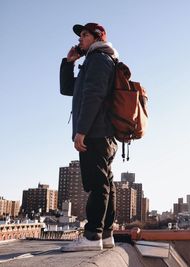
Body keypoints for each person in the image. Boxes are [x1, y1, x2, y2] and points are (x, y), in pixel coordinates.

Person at [59, 23, 118, 252]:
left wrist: (81, 131)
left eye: (84, 35)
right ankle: (106, 234)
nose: (80, 39)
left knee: (97, 184)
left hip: (95, 132)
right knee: (105, 183)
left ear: (97, 37)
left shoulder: (99, 59)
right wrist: (69, 63)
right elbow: (68, 89)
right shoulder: (94, 60)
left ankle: (92, 236)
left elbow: (93, 96)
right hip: (102, 132)